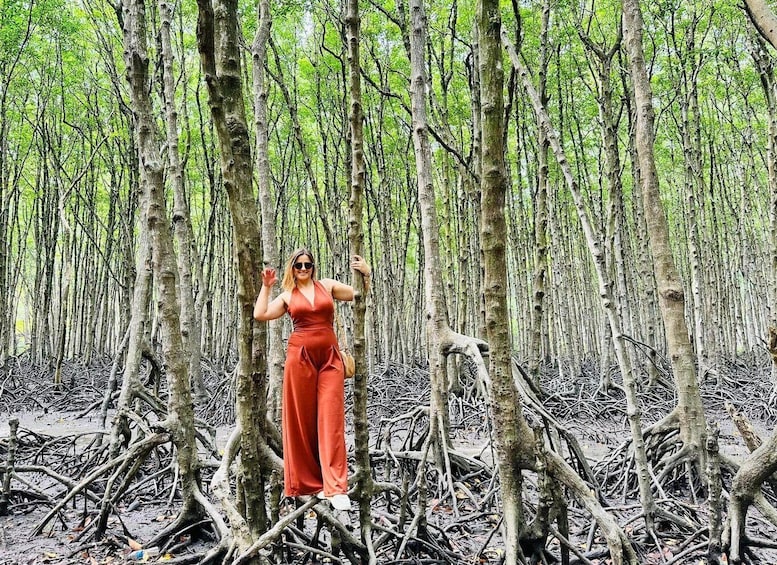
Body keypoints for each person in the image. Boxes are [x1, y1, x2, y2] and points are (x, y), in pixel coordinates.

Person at [253, 248, 371, 511]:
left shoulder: (326, 286)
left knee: (331, 419)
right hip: (300, 358)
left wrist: (366, 274)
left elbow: (358, 295)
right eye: (298, 265)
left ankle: (336, 487)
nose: (304, 269)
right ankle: (310, 483)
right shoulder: (286, 296)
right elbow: (260, 315)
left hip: (330, 358)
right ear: (292, 268)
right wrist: (266, 287)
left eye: (307, 265)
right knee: (303, 421)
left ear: (313, 266)